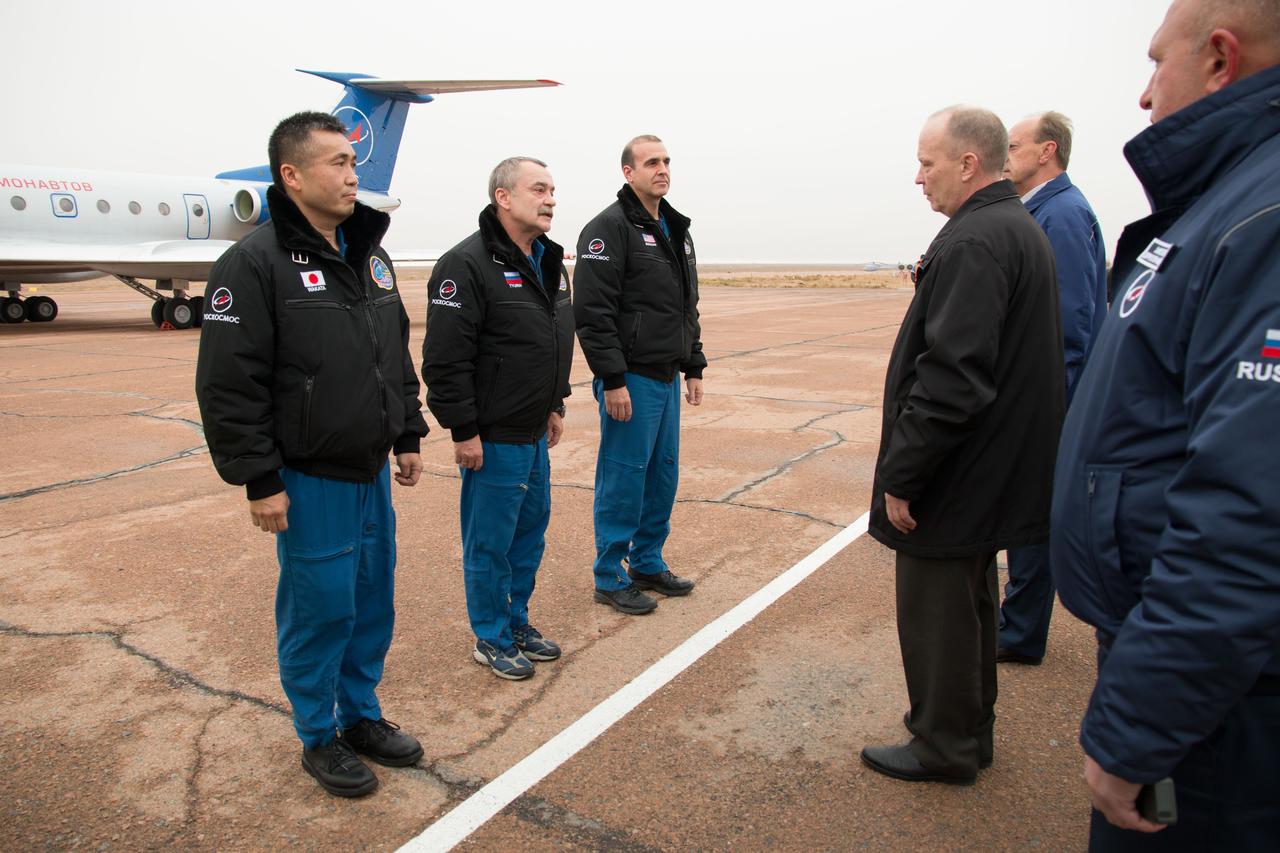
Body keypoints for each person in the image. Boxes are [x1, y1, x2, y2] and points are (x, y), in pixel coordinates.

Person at [1051, 0, 1280, 846]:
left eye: (1156, 63)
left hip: (1223, 706)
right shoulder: (1227, 201)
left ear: (1220, 59)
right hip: (1200, 670)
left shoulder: (1262, 217)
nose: (1145, 96)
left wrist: (1141, 723)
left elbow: (1250, 511)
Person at [195, 111, 428, 797]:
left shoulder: (371, 256)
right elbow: (228, 383)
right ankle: (318, 732)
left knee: (370, 599)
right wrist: (258, 477)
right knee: (320, 606)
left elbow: (393, 352)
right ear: (291, 175)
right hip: (308, 475)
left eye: (354, 161)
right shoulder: (252, 263)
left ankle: (360, 714)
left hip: (369, 470)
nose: (353, 174)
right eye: (336, 162)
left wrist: (408, 431)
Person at [861, 106, 1063, 786]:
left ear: (968, 163)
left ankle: (942, 744)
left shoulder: (976, 240)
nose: (919, 177)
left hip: (960, 467)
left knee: (939, 609)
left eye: (927, 162)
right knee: (974, 602)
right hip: (991, 463)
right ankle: (969, 732)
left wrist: (905, 474)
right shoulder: (1012, 227)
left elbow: (952, 376)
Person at [421, 157, 573, 680]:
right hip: (492, 435)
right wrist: (463, 430)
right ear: (503, 197)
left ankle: (515, 622)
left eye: (552, 189)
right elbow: (445, 359)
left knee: (529, 537)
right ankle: (489, 636)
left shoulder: (548, 261)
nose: (551, 198)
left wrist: (556, 403)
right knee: (490, 545)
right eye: (539, 189)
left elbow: (556, 339)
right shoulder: (465, 264)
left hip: (534, 431)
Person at [573, 135, 706, 615]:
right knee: (624, 477)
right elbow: (591, 311)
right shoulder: (608, 229)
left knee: (662, 476)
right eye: (652, 162)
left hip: (667, 376)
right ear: (628, 172)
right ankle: (609, 574)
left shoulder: (675, 228)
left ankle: (647, 562)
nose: (662, 169)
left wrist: (694, 364)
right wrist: (611, 379)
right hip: (630, 379)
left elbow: (685, 306)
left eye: (667, 161)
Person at [997, 111, 1109, 666]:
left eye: (1013, 146)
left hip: (1052, 398)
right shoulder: (1046, 209)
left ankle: (1018, 632)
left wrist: (1047, 406)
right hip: (1049, 394)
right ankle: (1017, 624)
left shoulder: (1060, 213)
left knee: (1033, 513)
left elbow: (1069, 323)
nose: (1005, 154)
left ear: (1047, 151)